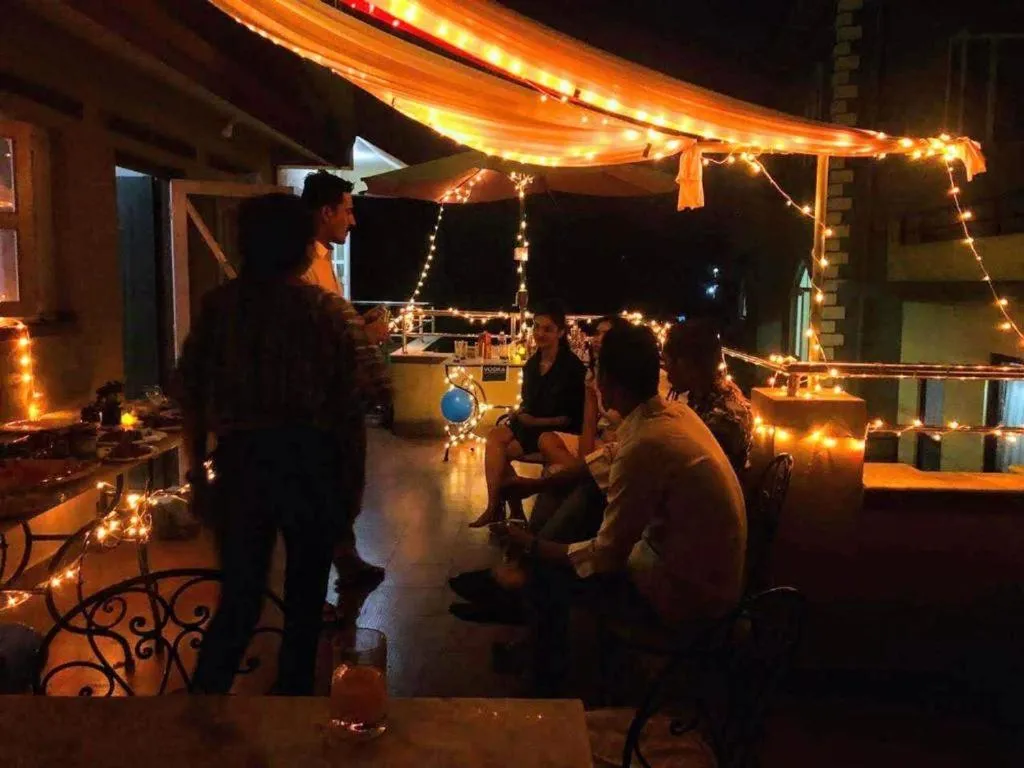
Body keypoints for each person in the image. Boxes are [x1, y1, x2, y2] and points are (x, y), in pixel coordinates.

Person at [497, 324, 748, 693]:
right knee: (580, 495)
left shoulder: (648, 441)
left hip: (688, 598)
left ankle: (547, 685)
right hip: (707, 574)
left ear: (606, 383)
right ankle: (530, 609)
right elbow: (607, 457)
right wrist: (536, 484)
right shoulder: (671, 413)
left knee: (554, 573)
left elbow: (605, 557)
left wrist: (535, 546)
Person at [178, 193, 361, 695]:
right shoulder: (324, 313)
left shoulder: (220, 308)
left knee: (239, 600)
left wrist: (198, 471)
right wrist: (350, 491)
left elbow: (190, 394)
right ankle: (294, 715)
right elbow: (349, 411)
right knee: (304, 606)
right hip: (311, 464)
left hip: (241, 465)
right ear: (302, 247)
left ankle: (200, 717)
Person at [301, 170, 393, 585]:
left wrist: (357, 322)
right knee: (332, 486)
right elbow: (311, 336)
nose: (352, 221)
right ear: (326, 212)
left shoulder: (321, 261)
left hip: (335, 397)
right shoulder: (305, 266)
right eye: (348, 211)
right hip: (323, 400)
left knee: (344, 483)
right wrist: (365, 336)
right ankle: (322, 580)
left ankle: (345, 560)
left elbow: (329, 322)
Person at [470, 301, 585, 528]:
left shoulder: (572, 368)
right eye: (537, 327)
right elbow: (528, 402)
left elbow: (571, 417)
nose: (540, 333)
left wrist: (535, 421)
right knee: (495, 438)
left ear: (561, 332)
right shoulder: (531, 365)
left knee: (499, 453)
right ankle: (495, 507)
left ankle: (512, 511)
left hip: (555, 433)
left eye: (547, 329)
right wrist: (521, 413)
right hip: (529, 427)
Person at [536, 315, 630, 470]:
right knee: (546, 440)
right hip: (600, 440)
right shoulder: (592, 375)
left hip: (624, 445)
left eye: (605, 335)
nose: (597, 339)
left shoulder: (628, 376)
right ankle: (583, 476)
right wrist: (584, 460)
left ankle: (578, 478)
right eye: (597, 333)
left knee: (554, 473)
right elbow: (589, 422)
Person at [662, 319, 754, 475]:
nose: (667, 374)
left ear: (687, 364)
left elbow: (694, 472)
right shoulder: (712, 393)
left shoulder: (722, 417)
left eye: (668, 364)